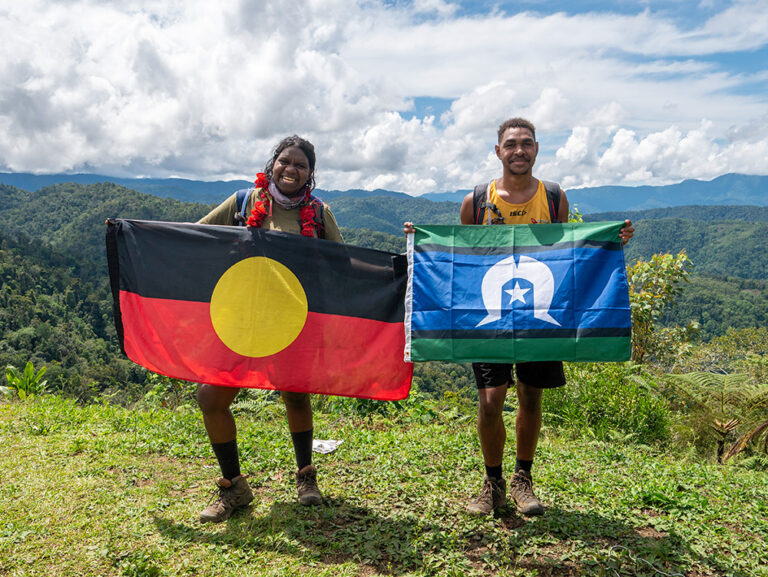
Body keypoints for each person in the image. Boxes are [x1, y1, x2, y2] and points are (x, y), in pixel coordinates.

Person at [405, 117, 634, 516]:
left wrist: (613, 239)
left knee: (531, 395)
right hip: (488, 316)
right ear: (498, 151)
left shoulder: (554, 197)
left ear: (537, 149)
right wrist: (423, 242)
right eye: (510, 144)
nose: (519, 150)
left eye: (526, 143)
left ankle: (522, 480)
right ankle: (491, 482)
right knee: (491, 402)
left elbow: (568, 256)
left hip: (540, 315)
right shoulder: (476, 200)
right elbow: (465, 260)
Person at [196, 135, 344, 523]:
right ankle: (233, 487)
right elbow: (195, 238)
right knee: (211, 397)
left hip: (293, 320)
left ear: (311, 173)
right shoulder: (243, 202)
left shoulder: (318, 211)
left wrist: (397, 266)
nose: (291, 169)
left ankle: (306, 476)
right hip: (240, 317)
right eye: (285, 161)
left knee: (295, 396)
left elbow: (343, 264)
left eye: (301, 164)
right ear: (272, 163)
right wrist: (137, 233)